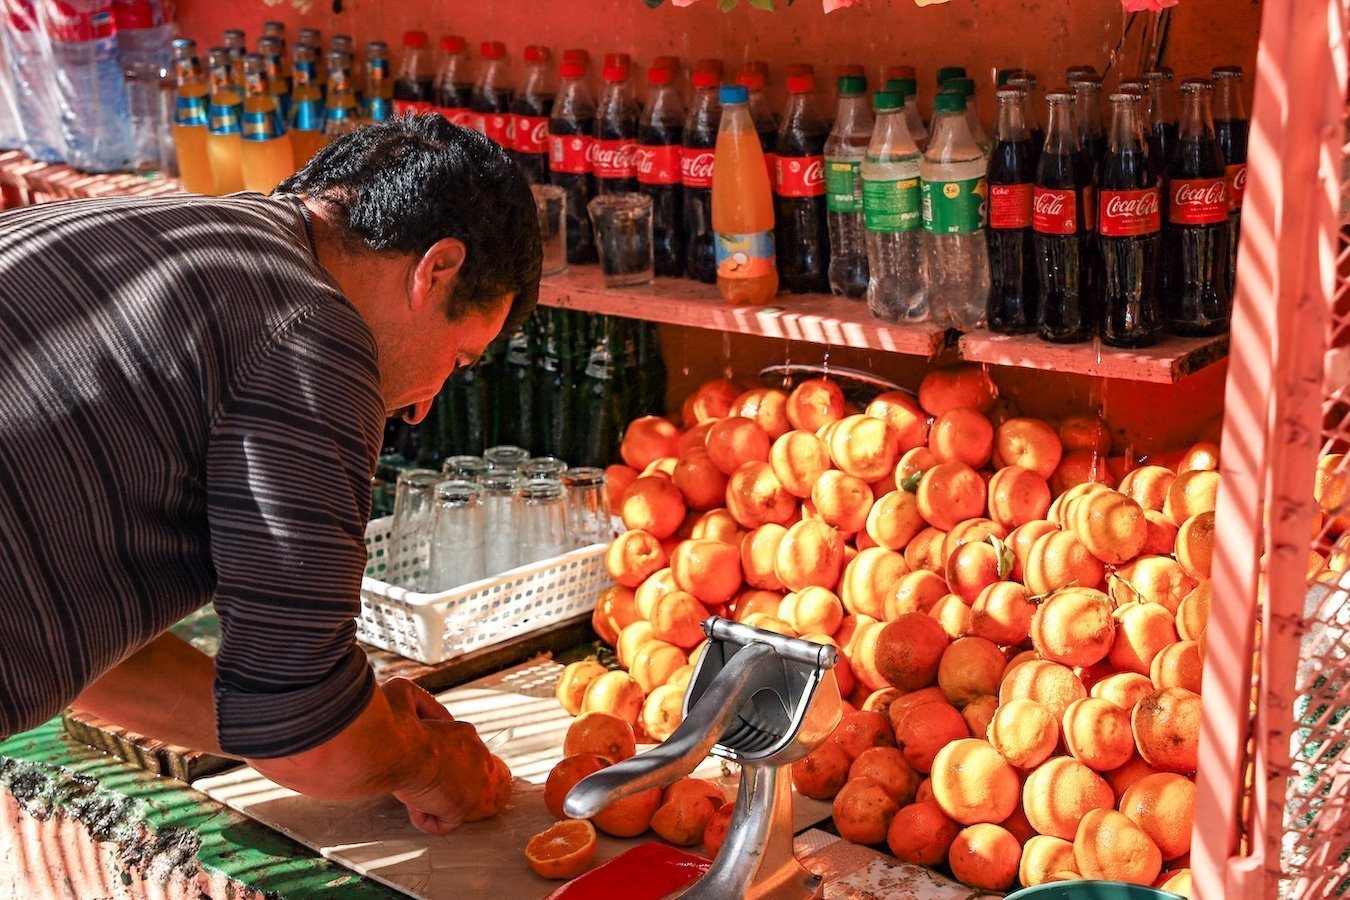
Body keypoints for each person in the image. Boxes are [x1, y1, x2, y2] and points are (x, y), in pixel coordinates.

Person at [0, 116, 541, 834]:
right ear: (435, 269)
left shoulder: (169, 229)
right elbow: (307, 736)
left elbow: (89, 659)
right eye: (459, 356)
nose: (422, 407)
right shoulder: (310, 336)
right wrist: (424, 764)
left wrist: (344, 724)